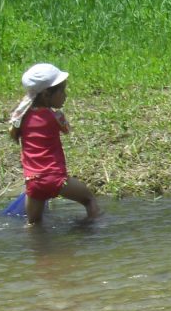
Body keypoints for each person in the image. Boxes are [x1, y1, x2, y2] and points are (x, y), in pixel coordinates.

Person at [8, 63, 101, 225]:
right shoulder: (54, 116)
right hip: (56, 179)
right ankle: (94, 233)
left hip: (33, 182)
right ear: (45, 95)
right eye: (62, 91)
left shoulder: (21, 119)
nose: (65, 95)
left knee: (33, 225)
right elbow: (66, 129)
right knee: (89, 200)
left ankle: (36, 248)